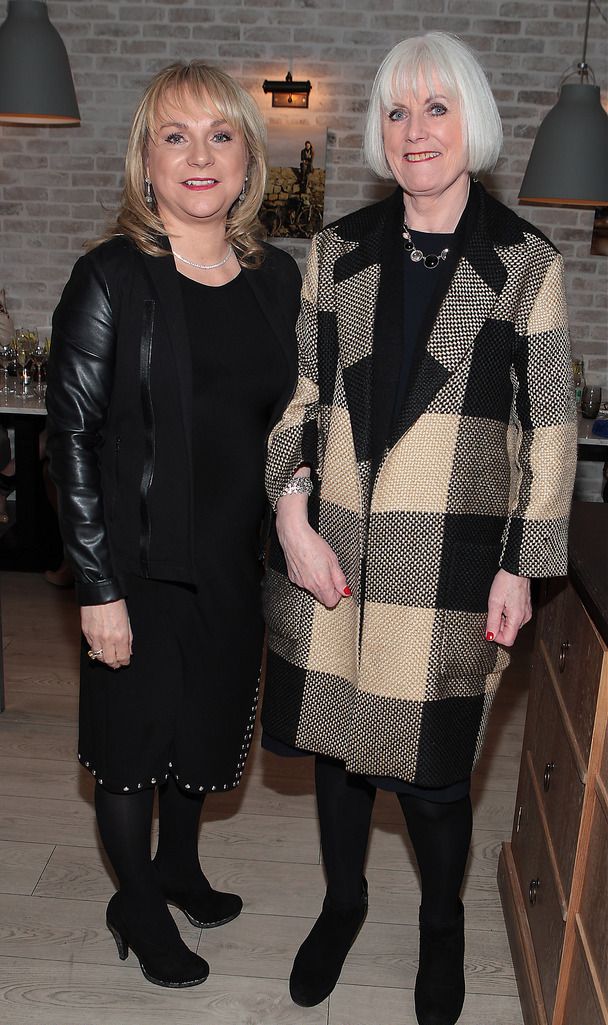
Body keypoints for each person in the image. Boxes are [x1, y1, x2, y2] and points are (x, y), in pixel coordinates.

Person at [261, 32, 577, 1025]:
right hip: (333, 553)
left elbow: (552, 425)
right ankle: (343, 899)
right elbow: (301, 396)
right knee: (338, 750)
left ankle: (442, 923)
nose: (413, 130)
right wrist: (288, 514)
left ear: (470, 123)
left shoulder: (525, 263)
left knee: (433, 774)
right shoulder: (334, 250)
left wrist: (523, 567)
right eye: (397, 111)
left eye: (435, 108)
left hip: (451, 561)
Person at [45, 61, 300, 989]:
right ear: (146, 163)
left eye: (220, 135)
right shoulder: (112, 276)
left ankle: (180, 866)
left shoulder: (279, 282)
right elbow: (69, 437)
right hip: (140, 564)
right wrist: (98, 586)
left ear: (246, 160)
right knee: (129, 752)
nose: (200, 155)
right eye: (175, 136)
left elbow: (291, 423)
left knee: (203, 734)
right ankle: (137, 905)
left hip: (236, 560)